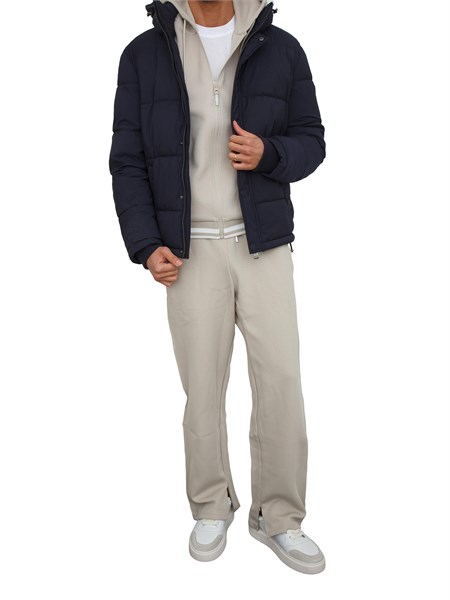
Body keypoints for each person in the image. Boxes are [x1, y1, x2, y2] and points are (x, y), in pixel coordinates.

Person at [109, 0, 326, 574]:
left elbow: (312, 139)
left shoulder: (280, 47)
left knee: (281, 382)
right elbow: (127, 160)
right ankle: (210, 505)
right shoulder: (142, 54)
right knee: (202, 388)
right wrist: (145, 242)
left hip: (263, 244)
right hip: (188, 249)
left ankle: (279, 517)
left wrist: (270, 153)